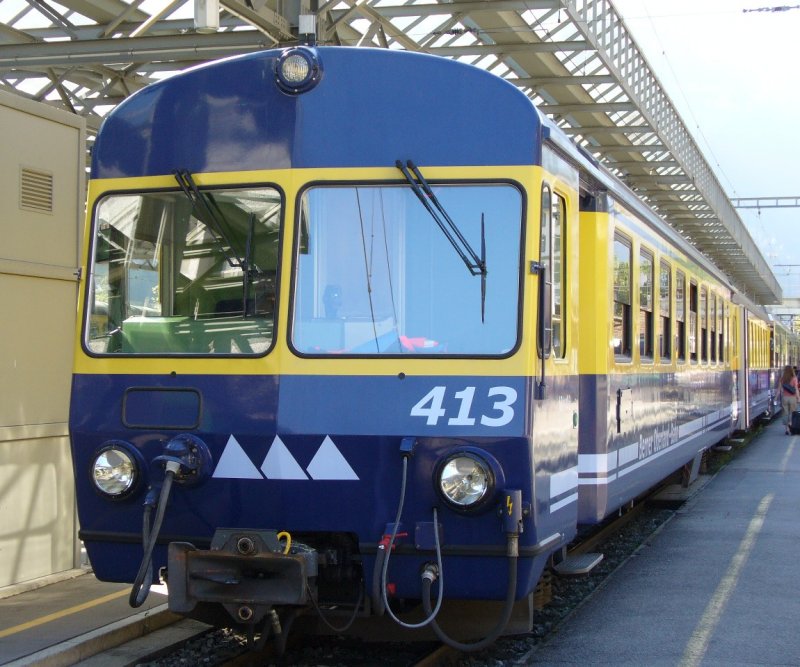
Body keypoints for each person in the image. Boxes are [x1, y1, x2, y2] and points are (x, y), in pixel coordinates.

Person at [778, 365, 799, 435]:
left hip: (785, 398)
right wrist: (798, 397)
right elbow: (796, 389)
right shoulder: (794, 378)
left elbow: (780, 389)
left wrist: (776, 397)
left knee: (785, 414)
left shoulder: (782, 378)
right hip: (793, 398)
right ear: (791, 370)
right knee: (793, 414)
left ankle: (787, 429)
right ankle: (791, 427)